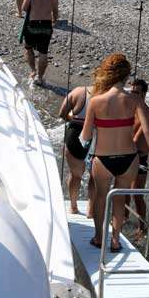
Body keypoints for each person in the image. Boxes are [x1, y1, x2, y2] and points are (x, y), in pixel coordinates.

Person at [81, 54, 149, 253]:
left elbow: (86, 135)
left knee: (100, 198)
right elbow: (148, 129)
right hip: (129, 159)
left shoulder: (96, 101)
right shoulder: (134, 99)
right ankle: (115, 240)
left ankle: (99, 238)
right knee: (119, 199)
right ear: (126, 76)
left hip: (103, 159)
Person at [126, 79, 149, 239]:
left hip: (139, 159)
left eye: (136, 92)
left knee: (137, 195)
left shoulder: (148, 114)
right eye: (131, 92)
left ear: (144, 94)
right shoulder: (131, 109)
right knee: (123, 191)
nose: (133, 95)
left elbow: (137, 138)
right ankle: (123, 218)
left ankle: (142, 228)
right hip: (127, 155)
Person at [59, 85, 95, 216]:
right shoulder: (107, 94)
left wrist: (72, 118)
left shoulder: (78, 91)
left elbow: (62, 113)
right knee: (95, 176)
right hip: (96, 135)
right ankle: (91, 211)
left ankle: (73, 207)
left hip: (75, 135)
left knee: (75, 175)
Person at [21, 0, 58, 86]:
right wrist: (54, 21)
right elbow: (55, 12)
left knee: (28, 48)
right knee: (43, 52)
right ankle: (40, 78)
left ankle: (33, 71)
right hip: (46, 25)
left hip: (33, 24)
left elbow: (24, 8)